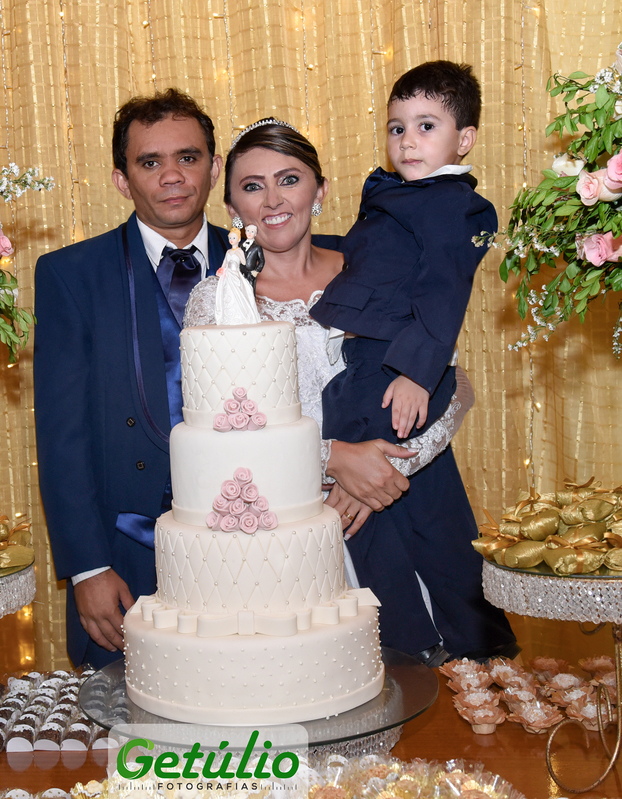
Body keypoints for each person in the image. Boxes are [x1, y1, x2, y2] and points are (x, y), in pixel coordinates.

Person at [182, 118, 488, 663]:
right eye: (252, 186)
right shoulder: (219, 302)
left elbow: (452, 383)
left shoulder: (379, 268)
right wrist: (333, 459)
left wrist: (383, 472)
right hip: (290, 533)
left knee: (449, 677)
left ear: (320, 191)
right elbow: (220, 437)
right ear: (231, 208)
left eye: (290, 179)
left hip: (405, 503)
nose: (273, 200)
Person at [309, 61, 518, 663]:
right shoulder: (396, 194)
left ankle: (462, 645)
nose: (407, 141)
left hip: (395, 368)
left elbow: (444, 290)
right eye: (397, 128)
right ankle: (414, 643)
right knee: (381, 514)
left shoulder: (455, 206)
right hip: (361, 366)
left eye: (427, 126)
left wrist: (415, 374)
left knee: (417, 516)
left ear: (465, 139)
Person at [33, 89, 231, 668]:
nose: (172, 176)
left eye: (188, 157)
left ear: (215, 167)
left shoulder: (262, 261)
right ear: (122, 180)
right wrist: (87, 567)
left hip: (251, 541)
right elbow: (62, 433)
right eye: (150, 162)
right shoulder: (71, 274)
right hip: (126, 552)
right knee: (131, 717)